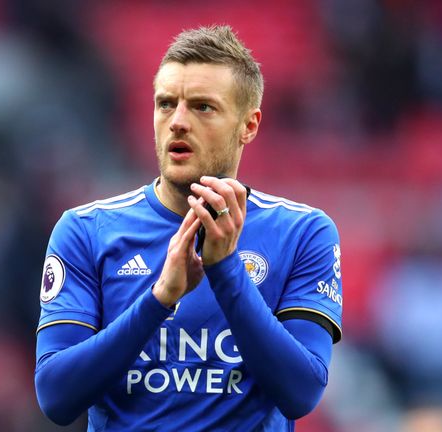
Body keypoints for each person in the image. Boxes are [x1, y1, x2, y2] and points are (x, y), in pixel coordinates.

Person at [34, 25, 343, 431]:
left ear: (248, 126)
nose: (178, 122)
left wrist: (227, 271)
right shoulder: (86, 231)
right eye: (166, 104)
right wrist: (158, 300)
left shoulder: (303, 233)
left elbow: (301, 392)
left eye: (202, 107)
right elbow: (55, 397)